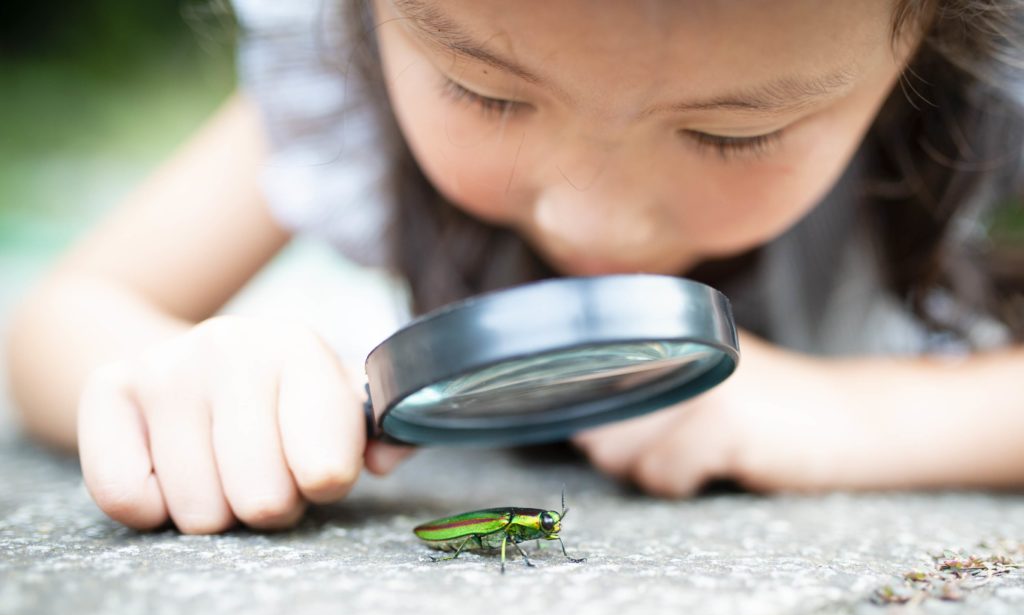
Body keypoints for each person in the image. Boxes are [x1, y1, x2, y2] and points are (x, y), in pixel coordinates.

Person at [5, 0, 1023, 535]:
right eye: (484, 93)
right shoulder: (338, 87)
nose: (596, 218)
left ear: (930, 42)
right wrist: (194, 385)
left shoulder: (988, 101)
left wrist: (862, 416)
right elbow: (67, 311)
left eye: (729, 131)